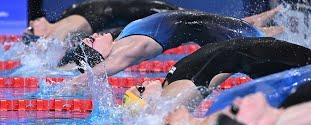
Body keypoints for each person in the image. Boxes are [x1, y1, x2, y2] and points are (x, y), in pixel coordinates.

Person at [58, 7, 283, 94]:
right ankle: (295, 26)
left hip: (201, 22)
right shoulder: (125, 52)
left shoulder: (120, 41)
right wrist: (63, 88)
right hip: (202, 28)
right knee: (263, 37)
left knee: (250, 24)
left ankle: (287, 17)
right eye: (91, 42)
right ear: (99, 55)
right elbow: (95, 73)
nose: (93, 36)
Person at [122, 37, 311, 110]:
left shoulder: (170, 85)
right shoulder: (173, 97)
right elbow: (220, 66)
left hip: (254, 52)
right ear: (148, 103)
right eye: (141, 89)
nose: (146, 81)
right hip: (257, 54)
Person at [26, 0, 180, 41]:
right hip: (113, 11)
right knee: (169, 13)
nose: (32, 23)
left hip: (98, 7)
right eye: (32, 29)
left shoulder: (60, 19)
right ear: (42, 37)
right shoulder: (59, 34)